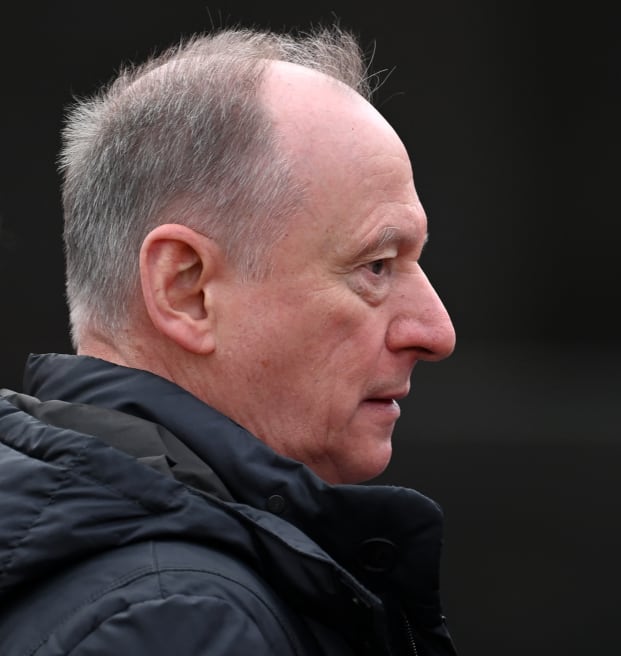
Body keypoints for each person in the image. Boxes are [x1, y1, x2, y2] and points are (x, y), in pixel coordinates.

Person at [0, 25, 457, 655]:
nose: (435, 332)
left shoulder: (105, 572)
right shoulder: (178, 621)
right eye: (375, 266)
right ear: (185, 289)